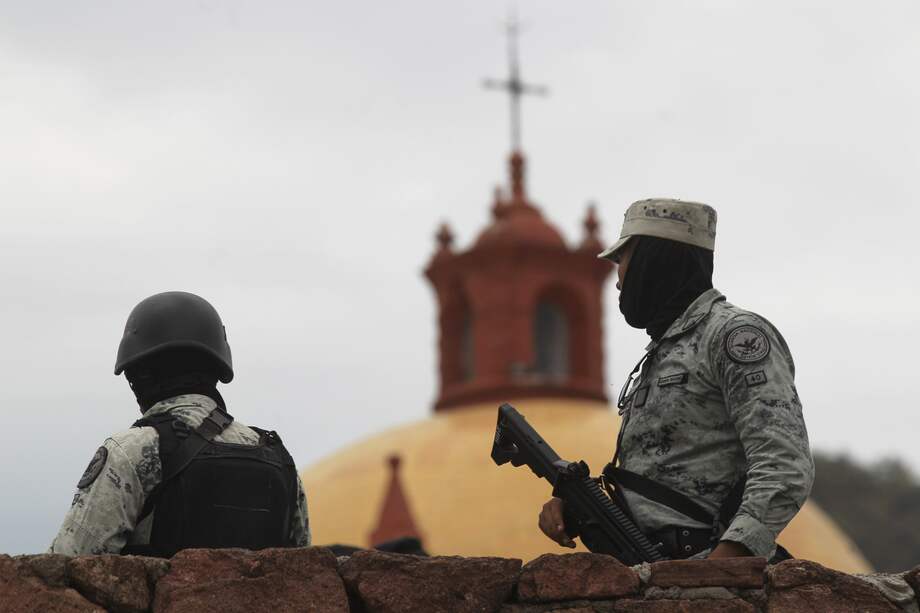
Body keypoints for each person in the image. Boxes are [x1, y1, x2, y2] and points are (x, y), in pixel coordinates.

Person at [538, 199, 814, 561]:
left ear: (656, 260)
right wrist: (576, 508)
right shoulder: (661, 351)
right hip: (654, 569)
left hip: (707, 567)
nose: (618, 280)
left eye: (623, 261)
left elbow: (784, 465)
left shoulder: (732, 335)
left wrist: (727, 559)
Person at [50, 291, 310, 556]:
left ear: (140, 375)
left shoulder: (133, 451)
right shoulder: (278, 458)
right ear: (216, 369)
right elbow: (306, 571)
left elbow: (67, 564)